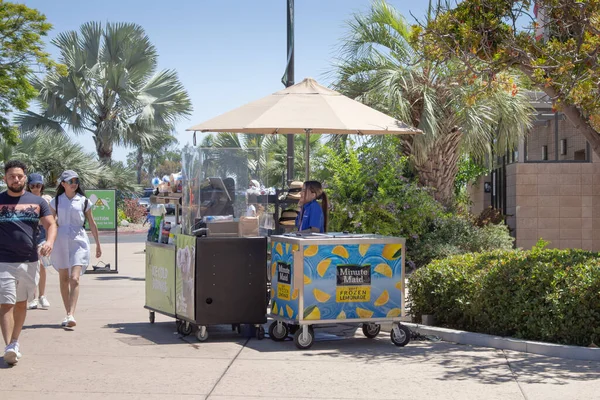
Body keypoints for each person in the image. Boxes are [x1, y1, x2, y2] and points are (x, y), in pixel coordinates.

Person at [0, 160, 56, 366]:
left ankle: (15, 342)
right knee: (6, 303)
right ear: (5, 178)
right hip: (3, 260)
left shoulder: (37, 202)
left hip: (29, 260)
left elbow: (51, 225)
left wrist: (49, 242)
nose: (16, 179)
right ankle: (9, 345)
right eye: (12, 176)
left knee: (21, 303)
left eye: (19, 176)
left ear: (25, 177)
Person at [49, 170, 101, 328]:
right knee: (64, 278)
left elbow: (91, 222)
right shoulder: (55, 202)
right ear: (63, 184)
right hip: (60, 240)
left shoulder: (84, 201)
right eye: (70, 181)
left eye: (76, 180)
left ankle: (71, 313)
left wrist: (98, 244)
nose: (74, 183)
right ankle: (68, 313)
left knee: (75, 278)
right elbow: (49, 223)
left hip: (78, 240)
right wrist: (48, 242)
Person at [26, 173, 52, 310]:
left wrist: (50, 240)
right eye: (32, 185)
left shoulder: (46, 199)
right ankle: (34, 297)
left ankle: (42, 295)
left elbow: (51, 221)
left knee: (41, 264)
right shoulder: (24, 199)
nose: (36, 188)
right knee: (32, 266)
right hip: (28, 233)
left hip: (41, 233)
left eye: (38, 185)